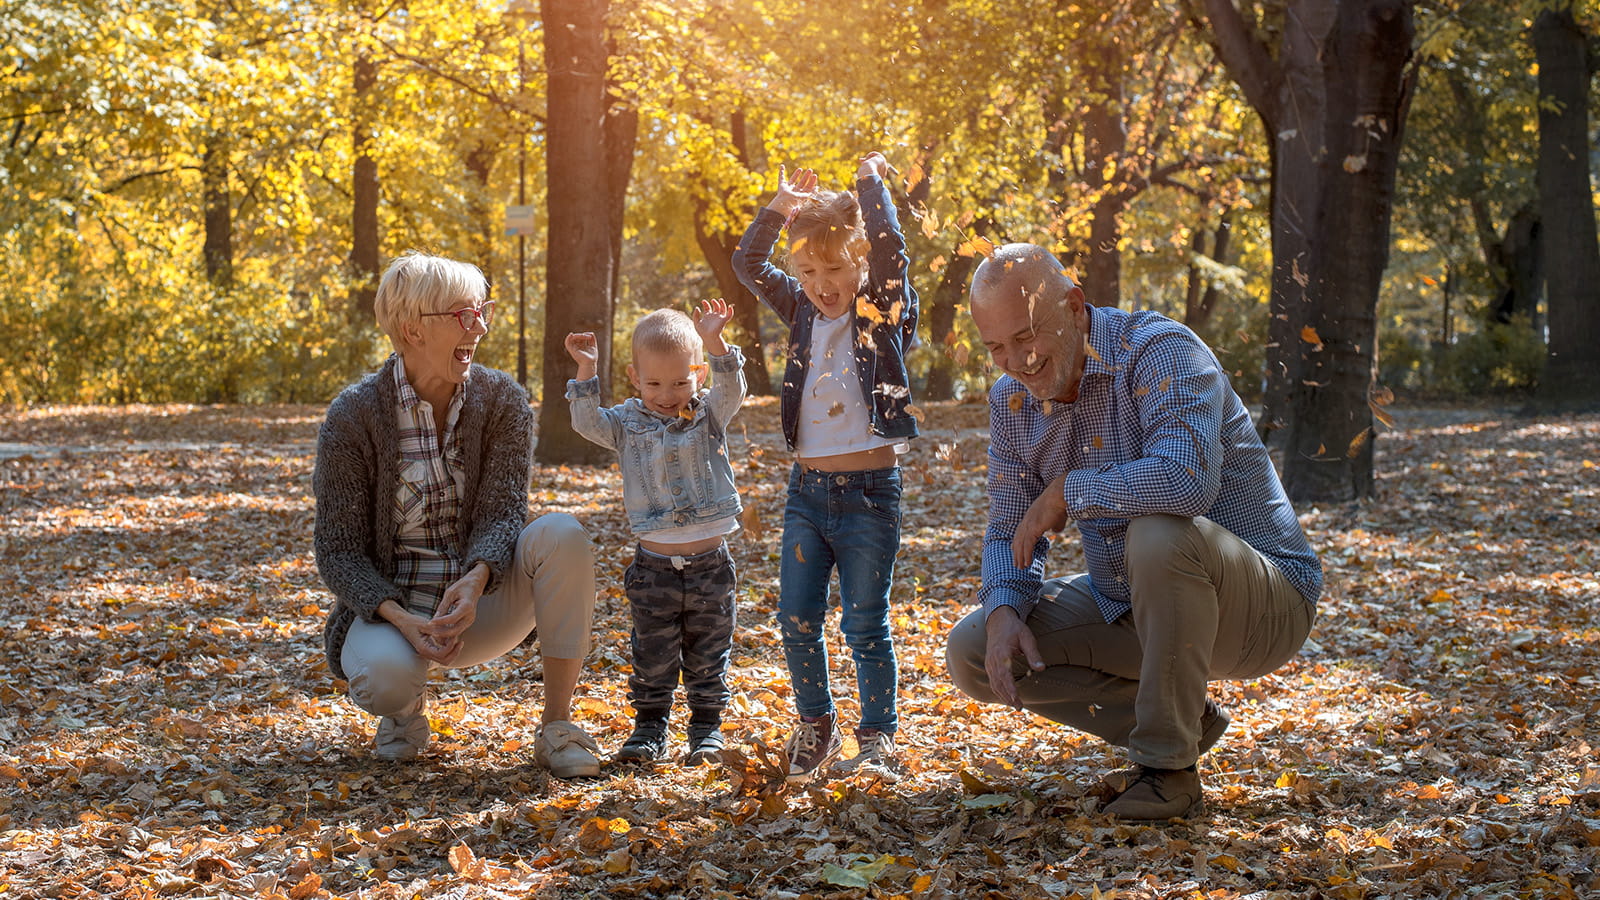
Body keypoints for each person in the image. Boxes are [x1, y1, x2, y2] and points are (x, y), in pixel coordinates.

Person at [945, 243, 1322, 820]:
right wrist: (1002, 609)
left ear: (1073, 305)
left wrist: (1071, 490)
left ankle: (1167, 771)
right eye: (996, 346)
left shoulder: (1160, 352)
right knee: (975, 651)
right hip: (1132, 603)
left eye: (1027, 336)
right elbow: (1008, 525)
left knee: (1156, 533)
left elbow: (1186, 480)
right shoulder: (1011, 401)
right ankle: (1184, 716)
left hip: (1263, 603)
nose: (1017, 360)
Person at [313, 250, 602, 778]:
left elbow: (503, 512)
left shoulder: (502, 402)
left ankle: (558, 725)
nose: (480, 326)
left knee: (563, 534)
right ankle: (403, 715)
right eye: (463, 315)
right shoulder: (352, 416)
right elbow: (339, 551)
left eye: (482, 311)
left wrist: (475, 580)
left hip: (482, 601)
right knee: (383, 680)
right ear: (412, 329)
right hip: (397, 611)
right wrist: (398, 616)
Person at [733, 152, 919, 781]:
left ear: (861, 263)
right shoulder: (803, 314)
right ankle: (816, 724)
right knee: (796, 616)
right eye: (809, 270)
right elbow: (747, 264)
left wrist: (870, 186)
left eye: (835, 267)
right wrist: (779, 208)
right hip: (807, 494)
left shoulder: (880, 315)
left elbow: (893, 249)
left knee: (865, 622)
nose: (821, 282)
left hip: (871, 495)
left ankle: (878, 738)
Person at [563, 299, 746, 767]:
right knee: (653, 653)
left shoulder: (708, 415)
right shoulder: (625, 424)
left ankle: (706, 730)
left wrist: (716, 340)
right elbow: (586, 422)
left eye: (681, 381)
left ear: (699, 375)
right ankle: (649, 729)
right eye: (655, 383)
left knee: (709, 651)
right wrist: (586, 370)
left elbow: (733, 388)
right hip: (654, 568)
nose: (668, 394)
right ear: (633, 377)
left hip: (710, 565)